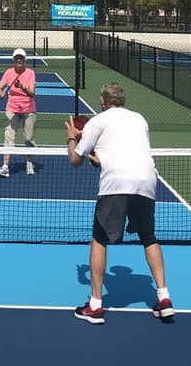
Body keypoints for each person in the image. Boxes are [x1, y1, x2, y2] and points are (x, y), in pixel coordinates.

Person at [64, 82, 173, 324]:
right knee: (149, 237)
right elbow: (127, 151)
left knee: (99, 240)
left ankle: (95, 305)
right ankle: (164, 297)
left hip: (116, 184)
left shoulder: (97, 121)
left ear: (102, 101)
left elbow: (75, 160)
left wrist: (71, 137)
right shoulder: (140, 120)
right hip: (146, 181)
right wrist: (101, 159)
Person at [0, 48, 37, 178]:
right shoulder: (8, 73)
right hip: (12, 109)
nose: (19, 60)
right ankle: (5, 166)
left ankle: (29, 162)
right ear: (14, 60)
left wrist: (22, 87)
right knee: (9, 137)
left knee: (28, 139)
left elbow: (32, 93)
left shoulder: (30, 73)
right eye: (17, 58)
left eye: (21, 58)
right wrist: (1, 93)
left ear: (24, 60)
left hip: (28, 110)